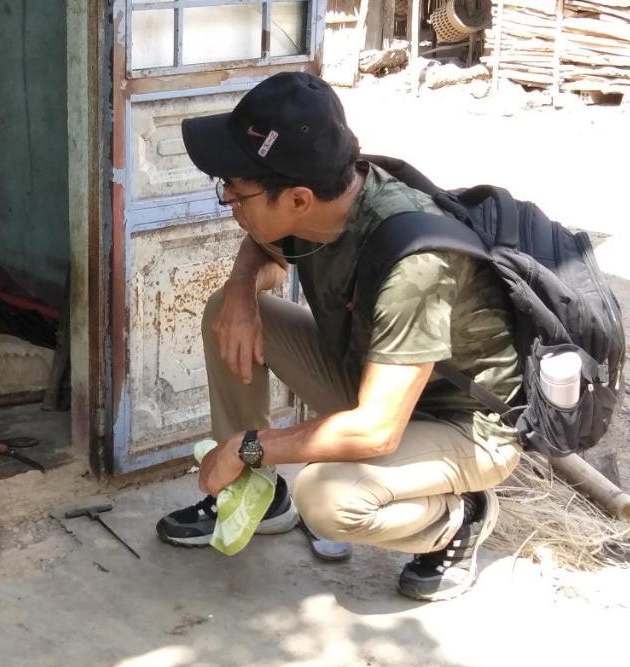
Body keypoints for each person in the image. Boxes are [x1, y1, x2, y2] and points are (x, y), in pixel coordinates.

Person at [156, 72, 522, 601]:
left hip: (462, 424)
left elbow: (376, 431)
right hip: (373, 377)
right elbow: (265, 249)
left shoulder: (413, 262)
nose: (228, 199)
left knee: (327, 499)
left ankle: (457, 515)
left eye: (236, 190)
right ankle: (254, 497)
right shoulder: (320, 202)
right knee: (225, 312)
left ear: (298, 199)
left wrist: (249, 446)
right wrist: (240, 293)